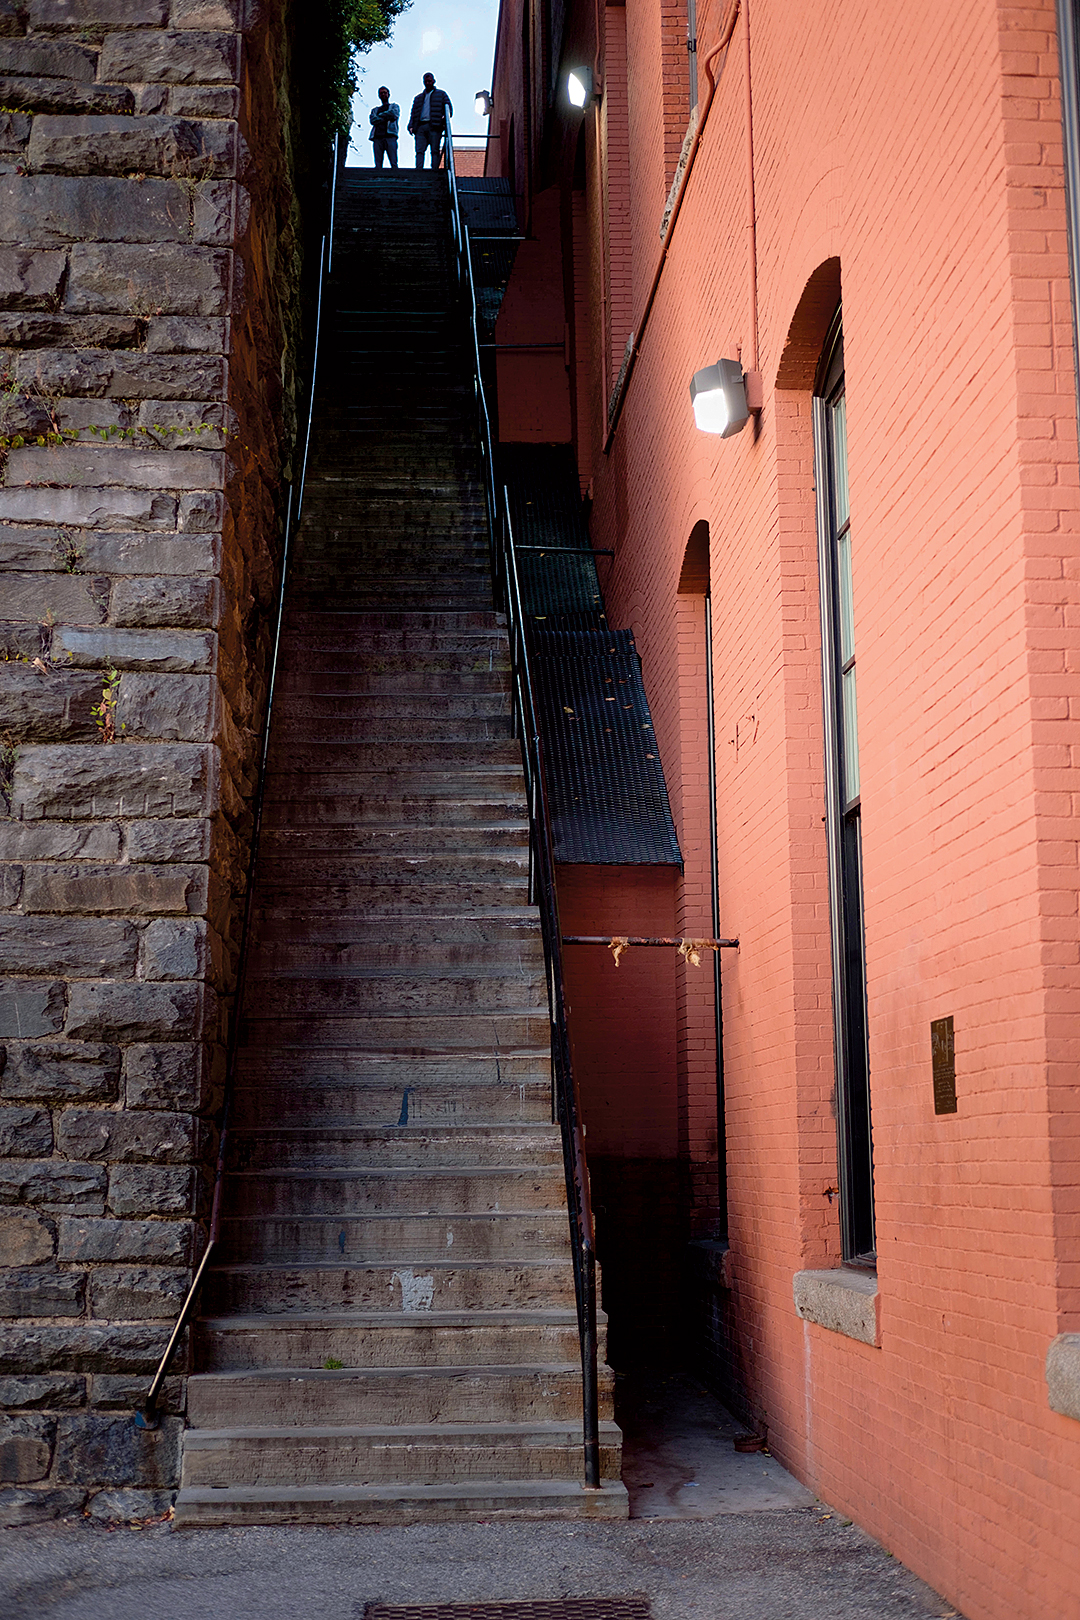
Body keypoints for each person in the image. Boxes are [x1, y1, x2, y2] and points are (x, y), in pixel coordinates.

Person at [408, 72, 453, 169]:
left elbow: (449, 108)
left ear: (433, 81)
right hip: (420, 126)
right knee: (419, 151)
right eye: (426, 81)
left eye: (429, 81)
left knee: (435, 150)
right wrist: (411, 125)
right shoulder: (418, 98)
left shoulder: (441, 94)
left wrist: (444, 117)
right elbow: (413, 113)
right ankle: (419, 170)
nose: (428, 83)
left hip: (435, 126)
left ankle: (434, 170)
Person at [369, 86, 399, 170]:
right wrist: (386, 117)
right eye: (381, 93)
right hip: (377, 137)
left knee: (393, 162)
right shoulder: (375, 110)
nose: (383, 95)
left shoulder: (394, 106)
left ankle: (396, 178)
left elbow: (394, 114)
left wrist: (380, 116)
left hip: (390, 136)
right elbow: (372, 120)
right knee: (378, 163)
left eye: (385, 93)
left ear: (388, 94)